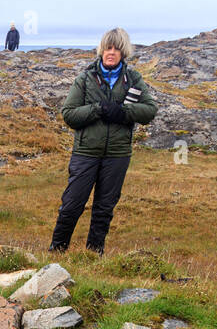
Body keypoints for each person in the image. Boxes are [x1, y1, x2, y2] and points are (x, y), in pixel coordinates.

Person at [48, 27, 156, 253]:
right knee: (71, 205)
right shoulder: (86, 78)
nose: (111, 52)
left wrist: (123, 113)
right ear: (101, 49)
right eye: (108, 47)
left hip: (117, 155)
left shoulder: (132, 79)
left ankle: (93, 255)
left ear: (123, 52)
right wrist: (98, 109)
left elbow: (149, 111)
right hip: (86, 152)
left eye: (116, 48)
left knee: (104, 209)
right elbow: (69, 114)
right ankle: (56, 251)